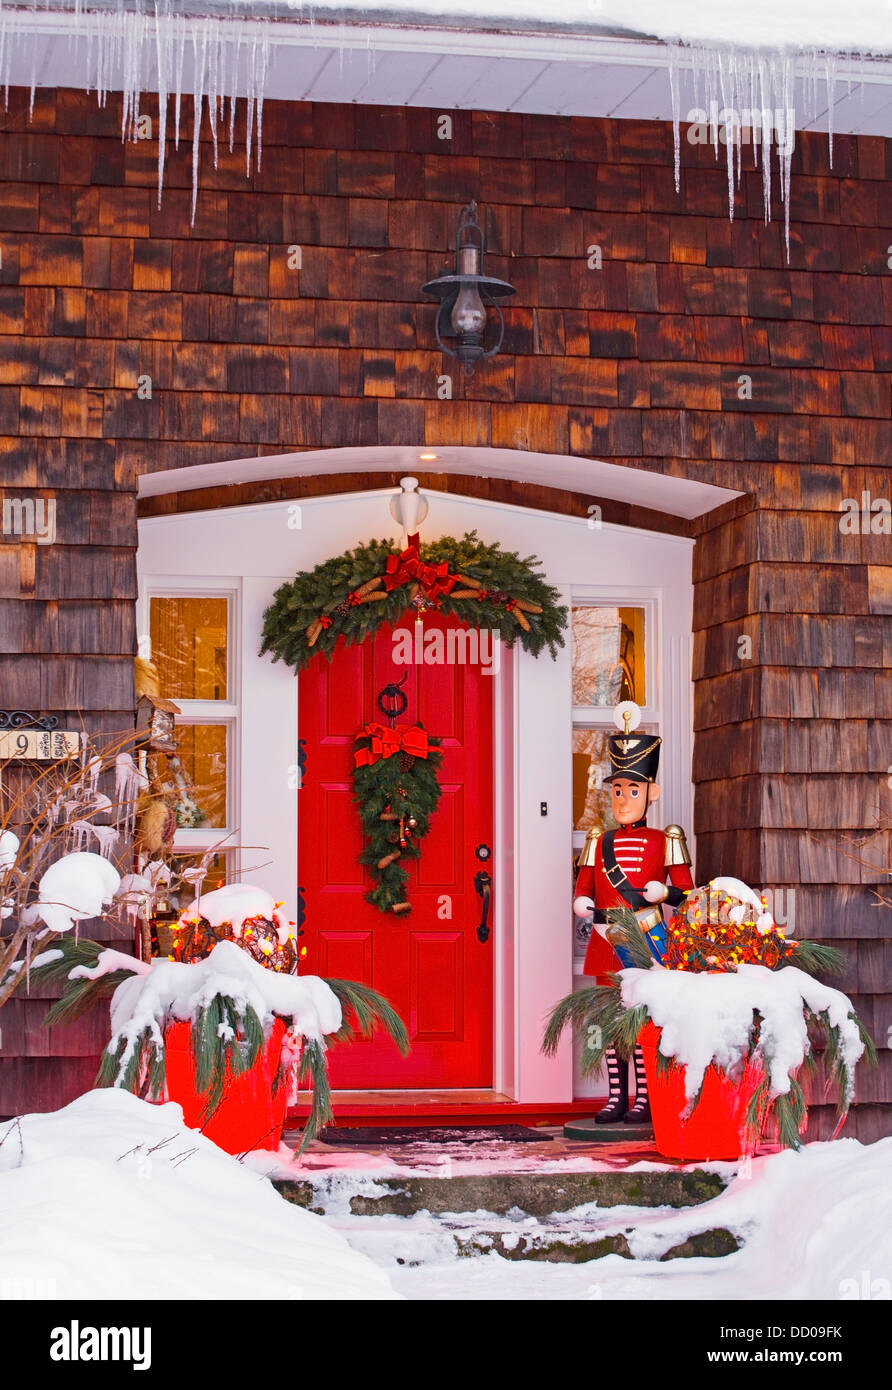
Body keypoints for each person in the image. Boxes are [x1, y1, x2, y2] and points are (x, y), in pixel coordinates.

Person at [573, 705, 693, 1124]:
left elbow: (688, 894)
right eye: (617, 790)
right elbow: (584, 886)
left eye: (632, 790)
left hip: (646, 938)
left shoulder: (667, 839)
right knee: (609, 1017)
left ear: (651, 794)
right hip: (607, 938)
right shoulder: (597, 840)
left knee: (641, 1018)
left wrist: (667, 892)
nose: (622, 799)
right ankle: (615, 1095)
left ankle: (644, 1097)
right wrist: (581, 903)